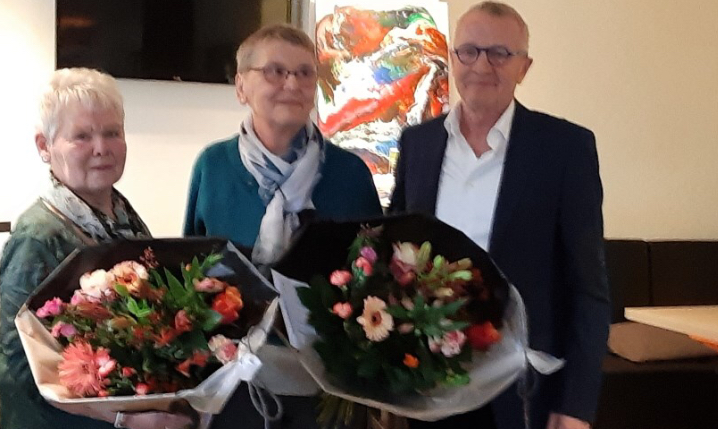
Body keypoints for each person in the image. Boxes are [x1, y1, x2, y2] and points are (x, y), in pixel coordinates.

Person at [390, 3, 611, 429]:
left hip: (522, 392)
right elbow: (394, 255)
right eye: (469, 51)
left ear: (524, 67)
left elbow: (590, 289)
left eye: (500, 53)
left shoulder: (565, 149)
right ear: (452, 58)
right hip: (428, 384)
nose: (482, 65)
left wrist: (577, 405)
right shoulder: (417, 144)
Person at [183, 24, 383, 429]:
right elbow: (191, 276)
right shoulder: (213, 167)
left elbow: (375, 281)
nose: (292, 84)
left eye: (305, 73)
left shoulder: (350, 174)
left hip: (330, 393)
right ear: (241, 87)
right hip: (236, 384)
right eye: (275, 71)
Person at [0, 68, 195, 429]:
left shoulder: (123, 215)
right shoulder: (37, 238)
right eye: (82, 136)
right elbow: (26, 370)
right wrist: (123, 419)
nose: (102, 148)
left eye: (112, 132)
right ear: (44, 146)